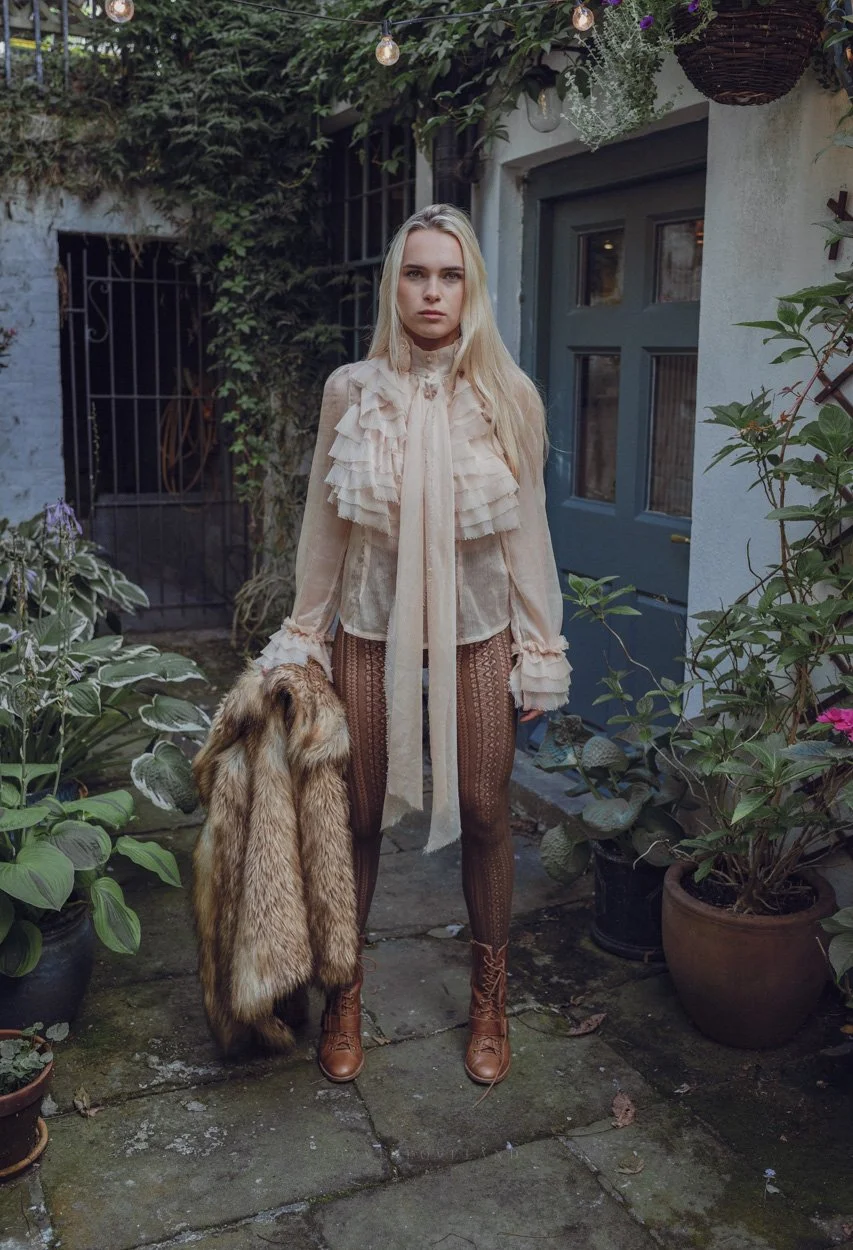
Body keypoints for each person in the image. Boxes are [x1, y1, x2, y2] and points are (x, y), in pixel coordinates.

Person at [259, 203, 571, 1088]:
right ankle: (345, 998)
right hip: (367, 623)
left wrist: (538, 645)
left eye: (450, 275)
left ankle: (489, 1000)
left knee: (482, 809)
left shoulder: (506, 395)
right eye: (416, 273)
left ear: (470, 287)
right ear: (393, 283)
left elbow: (529, 534)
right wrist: (303, 633)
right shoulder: (350, 391)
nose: (432, 291)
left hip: (477, 628)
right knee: (356, 816)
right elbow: (325, 526)